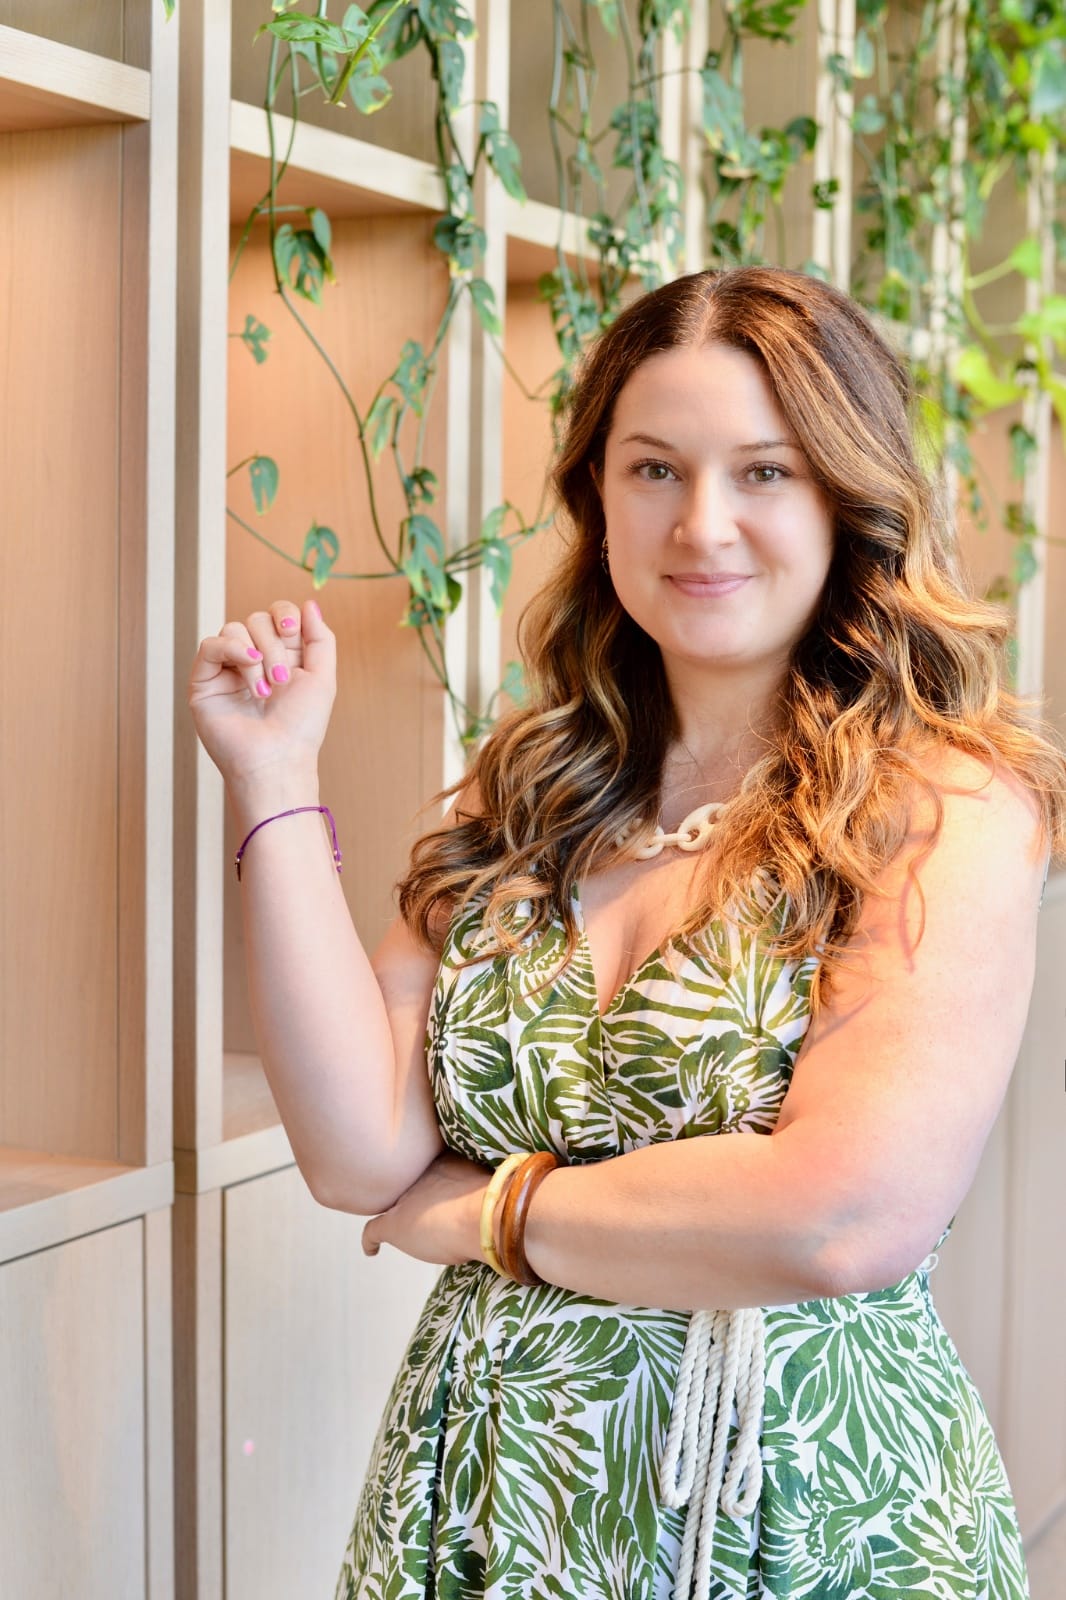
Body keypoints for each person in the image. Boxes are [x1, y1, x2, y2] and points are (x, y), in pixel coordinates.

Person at [188, 266, 1064, 1600]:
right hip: (485, 1498)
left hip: (787, 1511)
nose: (701, 524)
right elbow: (358, 1152)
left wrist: (495, 1212)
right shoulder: (528, 781)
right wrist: (273, 779)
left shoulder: (940, 805)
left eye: (762, 472)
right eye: (653, 469)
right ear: (596, 497)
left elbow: (840, 1217)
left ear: (845, 497)